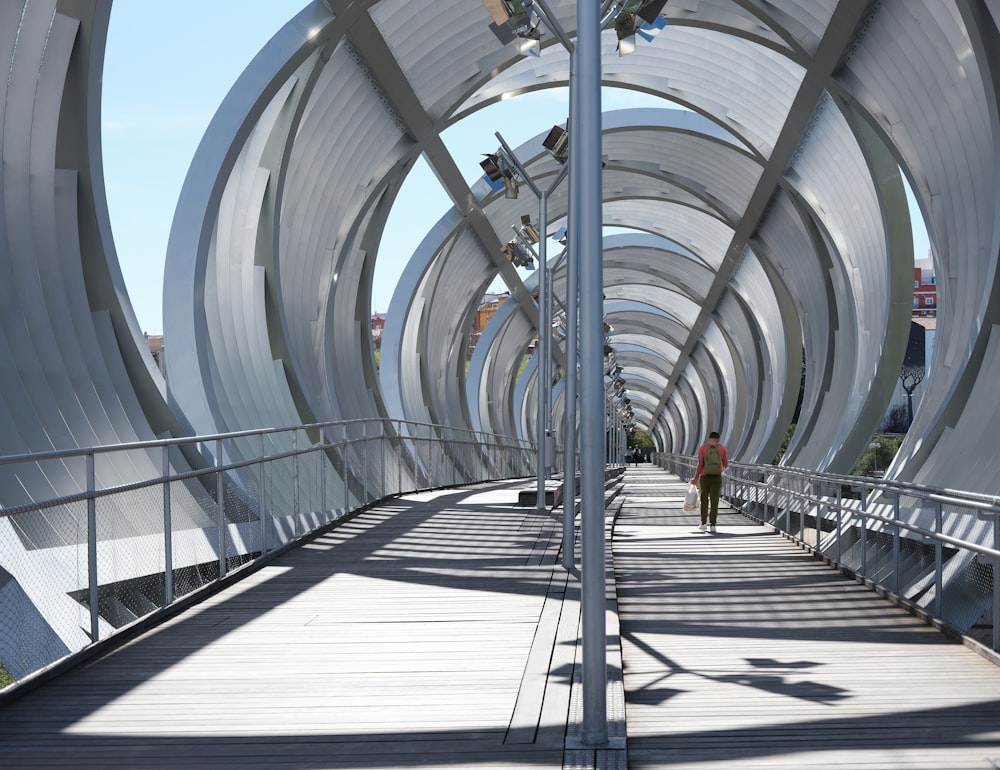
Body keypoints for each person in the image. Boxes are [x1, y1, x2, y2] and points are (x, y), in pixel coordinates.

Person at [691, 431, 728, 533]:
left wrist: (695, 478)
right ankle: (713, 524)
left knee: (704, 500)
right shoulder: (722, 448)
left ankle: (703, 523)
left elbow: (700, 465)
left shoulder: (703, 448)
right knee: (714, 501)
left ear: (709, 438)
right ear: (718, 439)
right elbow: (725, 464)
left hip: (705, 477)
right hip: (717, 477)